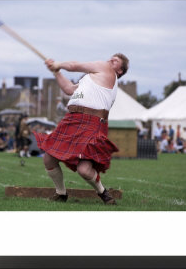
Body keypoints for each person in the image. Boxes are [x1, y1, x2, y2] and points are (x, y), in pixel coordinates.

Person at [33, 53, 129, 205]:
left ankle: (103, 193)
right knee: (49, 158)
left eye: (116, 60)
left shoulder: (107, 70)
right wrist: (56, 72)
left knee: (84, 170)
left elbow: (74, 66)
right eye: (111, 57)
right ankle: (61, 193)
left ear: (120, 71)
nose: (110, 59)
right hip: (72, 119)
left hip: (92, 122)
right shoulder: (91, 79)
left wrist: (58, 64)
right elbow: (69, 89)